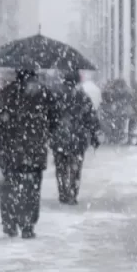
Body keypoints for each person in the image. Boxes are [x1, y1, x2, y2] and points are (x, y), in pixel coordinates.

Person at [0, 68, 51, 239]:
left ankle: (9, 223)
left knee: (8, 187)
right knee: (31, 189)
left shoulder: (6, 93)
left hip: (10, 150)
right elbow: (54, 119)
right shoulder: (44, 94)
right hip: (35, 150)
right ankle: (28, 224)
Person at [48, 71, 101, 205]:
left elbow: (49, 116)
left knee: (61, 168)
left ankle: (62, 192)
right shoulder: (82, 97)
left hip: (59, 137)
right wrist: (94, 135)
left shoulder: (56, 96)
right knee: (75, 168)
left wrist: (49, 131)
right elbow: (91, 118)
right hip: (78, 138)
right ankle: (72, 193)